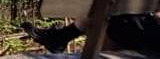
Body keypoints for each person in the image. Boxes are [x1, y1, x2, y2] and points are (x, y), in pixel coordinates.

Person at [21, 15, 160, 54]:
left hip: (152, 41)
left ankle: (58, 38)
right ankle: (58, 38)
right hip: (151, 37)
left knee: (98, 14)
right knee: (103, 13)